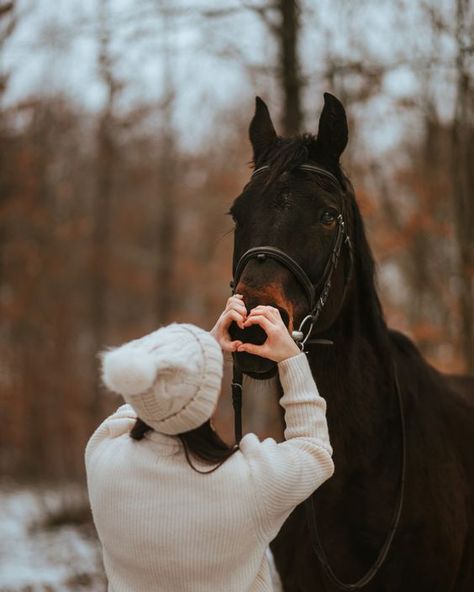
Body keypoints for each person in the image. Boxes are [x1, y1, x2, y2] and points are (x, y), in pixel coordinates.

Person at [85, 295, 334, 592]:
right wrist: (292, 359)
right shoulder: (249, 484)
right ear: (207, 395)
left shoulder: (102, 457)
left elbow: (147, 404)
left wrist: (202, 357)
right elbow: (314, 449)